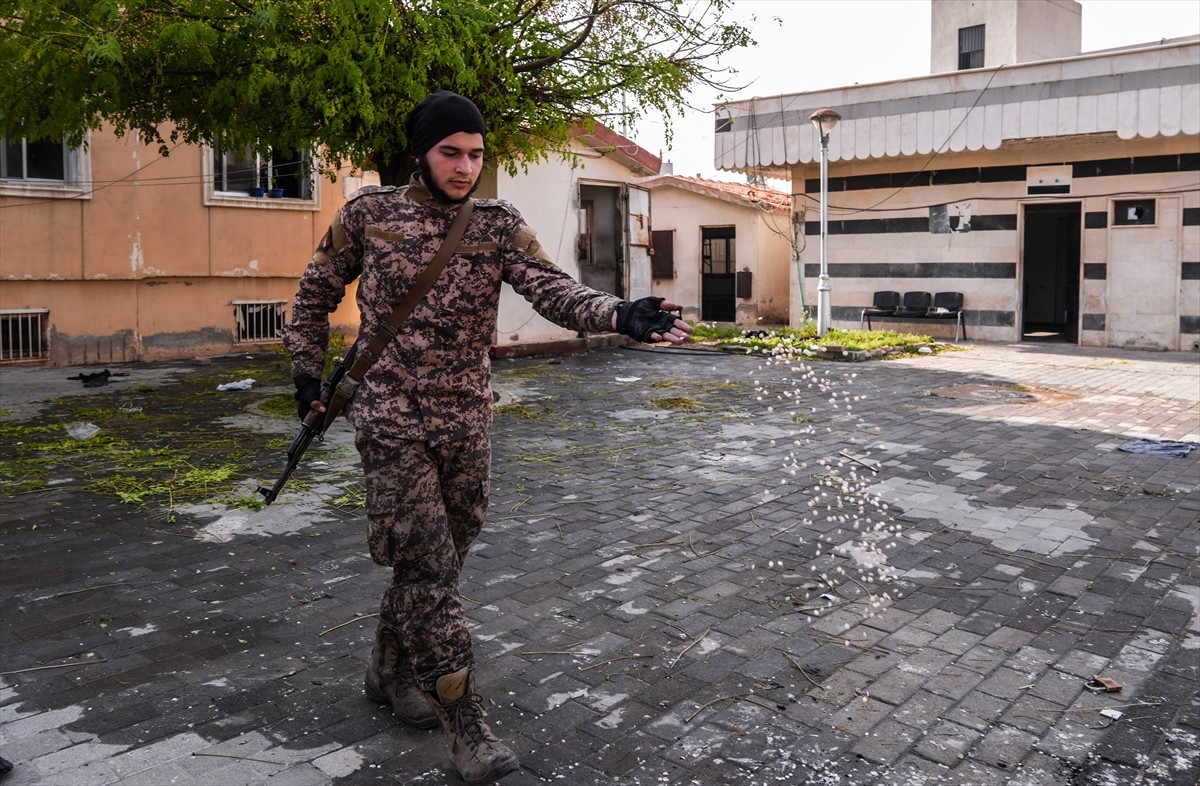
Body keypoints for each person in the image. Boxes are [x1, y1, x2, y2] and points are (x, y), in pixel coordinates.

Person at [283, 89, 691, 784]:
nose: (466, 166)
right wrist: (306, 374)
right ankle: (466, 728)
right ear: (423, 152)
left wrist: (619, 313)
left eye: (475, 154)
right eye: (451, 152)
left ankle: (389, 667)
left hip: (466, 417)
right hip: (391, 418)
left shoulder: (498, 224)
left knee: (443, 555)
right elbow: (314, 292)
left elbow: (552, 288)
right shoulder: (369, 214)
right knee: (432, 570)